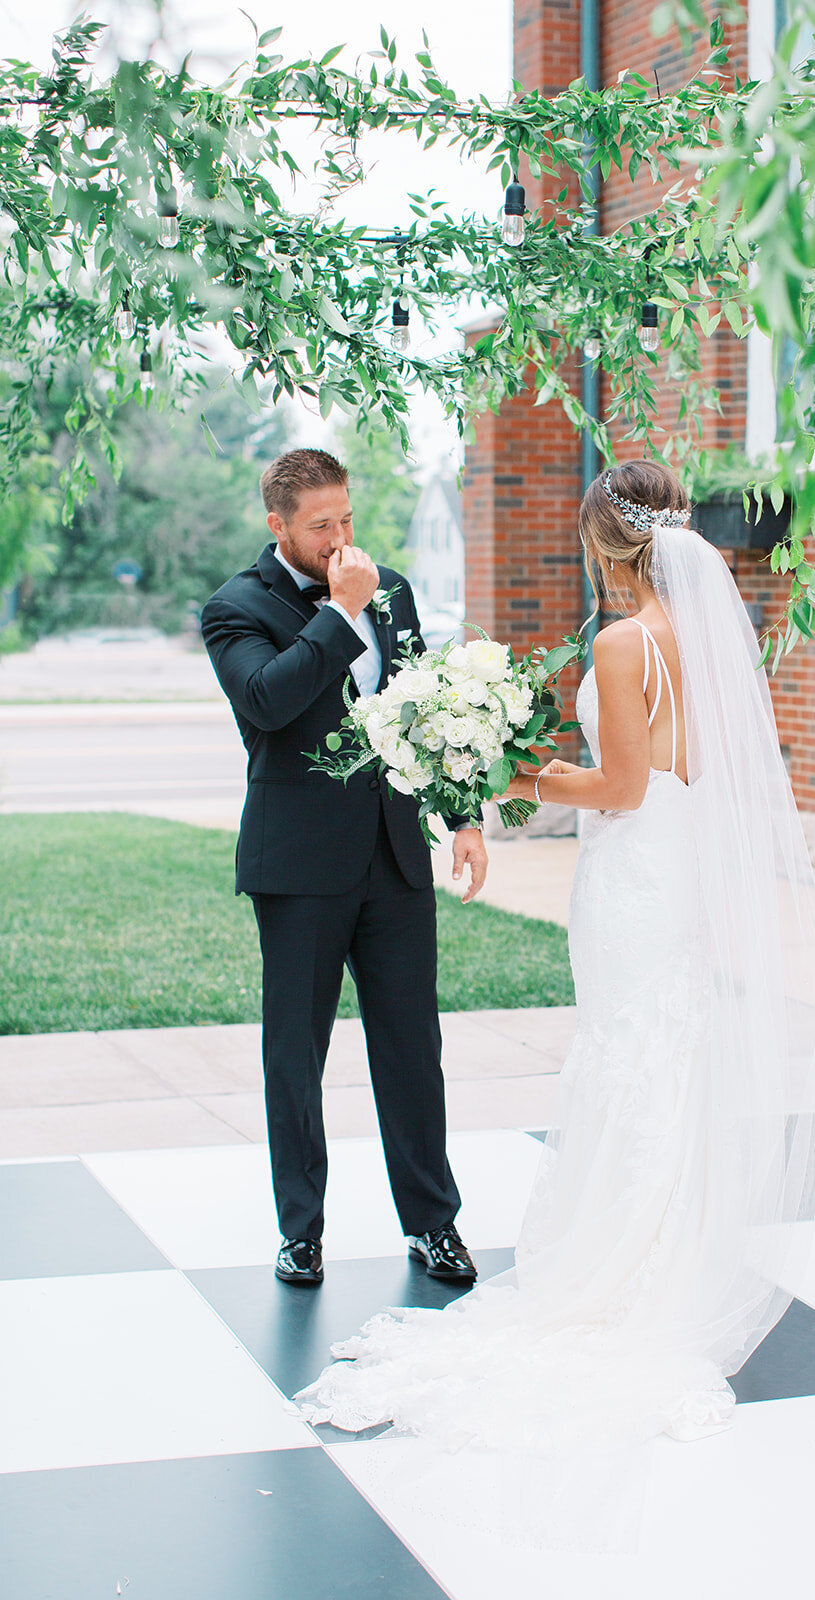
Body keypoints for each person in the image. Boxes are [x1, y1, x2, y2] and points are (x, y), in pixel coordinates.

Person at [294, 458, 815, 1452]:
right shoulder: (701, 638)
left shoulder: (626, 644)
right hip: (666, 868)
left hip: (632, 869)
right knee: (657, 1044)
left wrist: (517, 774)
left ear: (601, 542)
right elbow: (681, 771)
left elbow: (620, 786)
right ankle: (666, 1245)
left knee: (628, 1044)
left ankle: (619, 1262)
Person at [201, 448, 488, 1289]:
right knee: (295, 1055)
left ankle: (433, 1225)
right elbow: (268, 702)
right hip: (298, 867)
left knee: (411, 1049)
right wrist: (338, 611)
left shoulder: (387, 587)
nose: (339, 538)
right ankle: (300, 1231)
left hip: (396, 856)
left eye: (347, 520)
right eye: (319, 525)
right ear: (278, 525)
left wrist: (462, 819)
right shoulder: (234, 608)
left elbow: (429, 710)